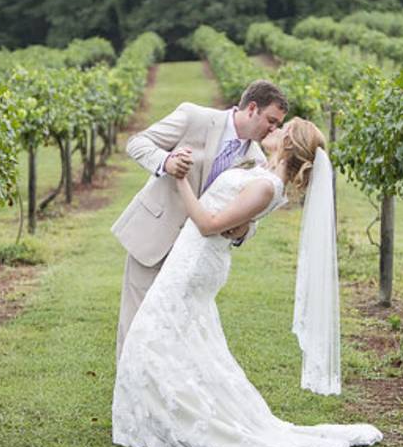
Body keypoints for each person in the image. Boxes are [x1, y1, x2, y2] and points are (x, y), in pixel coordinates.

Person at [112, 118, 382, 447]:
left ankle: (174, 414)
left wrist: (180, 180)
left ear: (288, 144)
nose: (275, 129)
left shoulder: (268, 186)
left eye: (283, 129)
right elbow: (234, 219)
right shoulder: (264, 176)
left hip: (195, 263)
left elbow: (209, 224)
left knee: (151, 334)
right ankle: (167, 407)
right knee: (178, 337)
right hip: (194, 258)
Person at [111, 80, 288, 362]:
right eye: (271, 120)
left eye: (278, 124)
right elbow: (137, 143)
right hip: (154, 236)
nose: (273, 129)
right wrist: (166, 162)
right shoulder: (195, 117)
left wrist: (244, 230)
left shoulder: (257, 161)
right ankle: (127, 401)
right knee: (135, 326)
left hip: (194, 257)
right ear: (252, 108)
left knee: (176, 331)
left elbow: (251, 216)